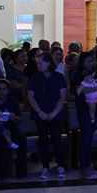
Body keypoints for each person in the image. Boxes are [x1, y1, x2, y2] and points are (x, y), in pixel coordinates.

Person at [27, 51, 68, 179]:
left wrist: (54, 113)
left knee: (56, 139)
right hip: (40, 112)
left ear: (48, 63)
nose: (38, 65)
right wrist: (40, 112)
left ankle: (60, 165)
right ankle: (45, 167)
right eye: (37, 63)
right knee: (43, 140)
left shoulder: (59, 77)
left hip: (56, 112)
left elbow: (63, 96)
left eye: (40, 63)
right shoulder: (35, 77)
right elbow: (30, 96)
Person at [70, 53, 97, 179]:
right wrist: (96, 89)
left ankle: (88, 165)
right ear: (82, 62)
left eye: (92, 61)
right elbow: (80, 90)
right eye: (88, 61)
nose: (90, 63)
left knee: (90, 136)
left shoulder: (94, 74)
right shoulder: (77, 74)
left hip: (94, 107)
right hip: (83, 108)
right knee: (85, 136)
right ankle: (83, 167)